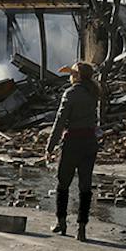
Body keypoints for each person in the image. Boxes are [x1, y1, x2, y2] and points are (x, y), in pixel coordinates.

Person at [47, 60, 102, 241]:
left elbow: (60, 121)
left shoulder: (70, 93)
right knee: (85, 186)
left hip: (72, 142)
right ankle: (82, 228)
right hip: (89, 142)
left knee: (63, 183)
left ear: (76, 76)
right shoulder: (93, 92)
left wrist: (50, 145)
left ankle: (61, 223)